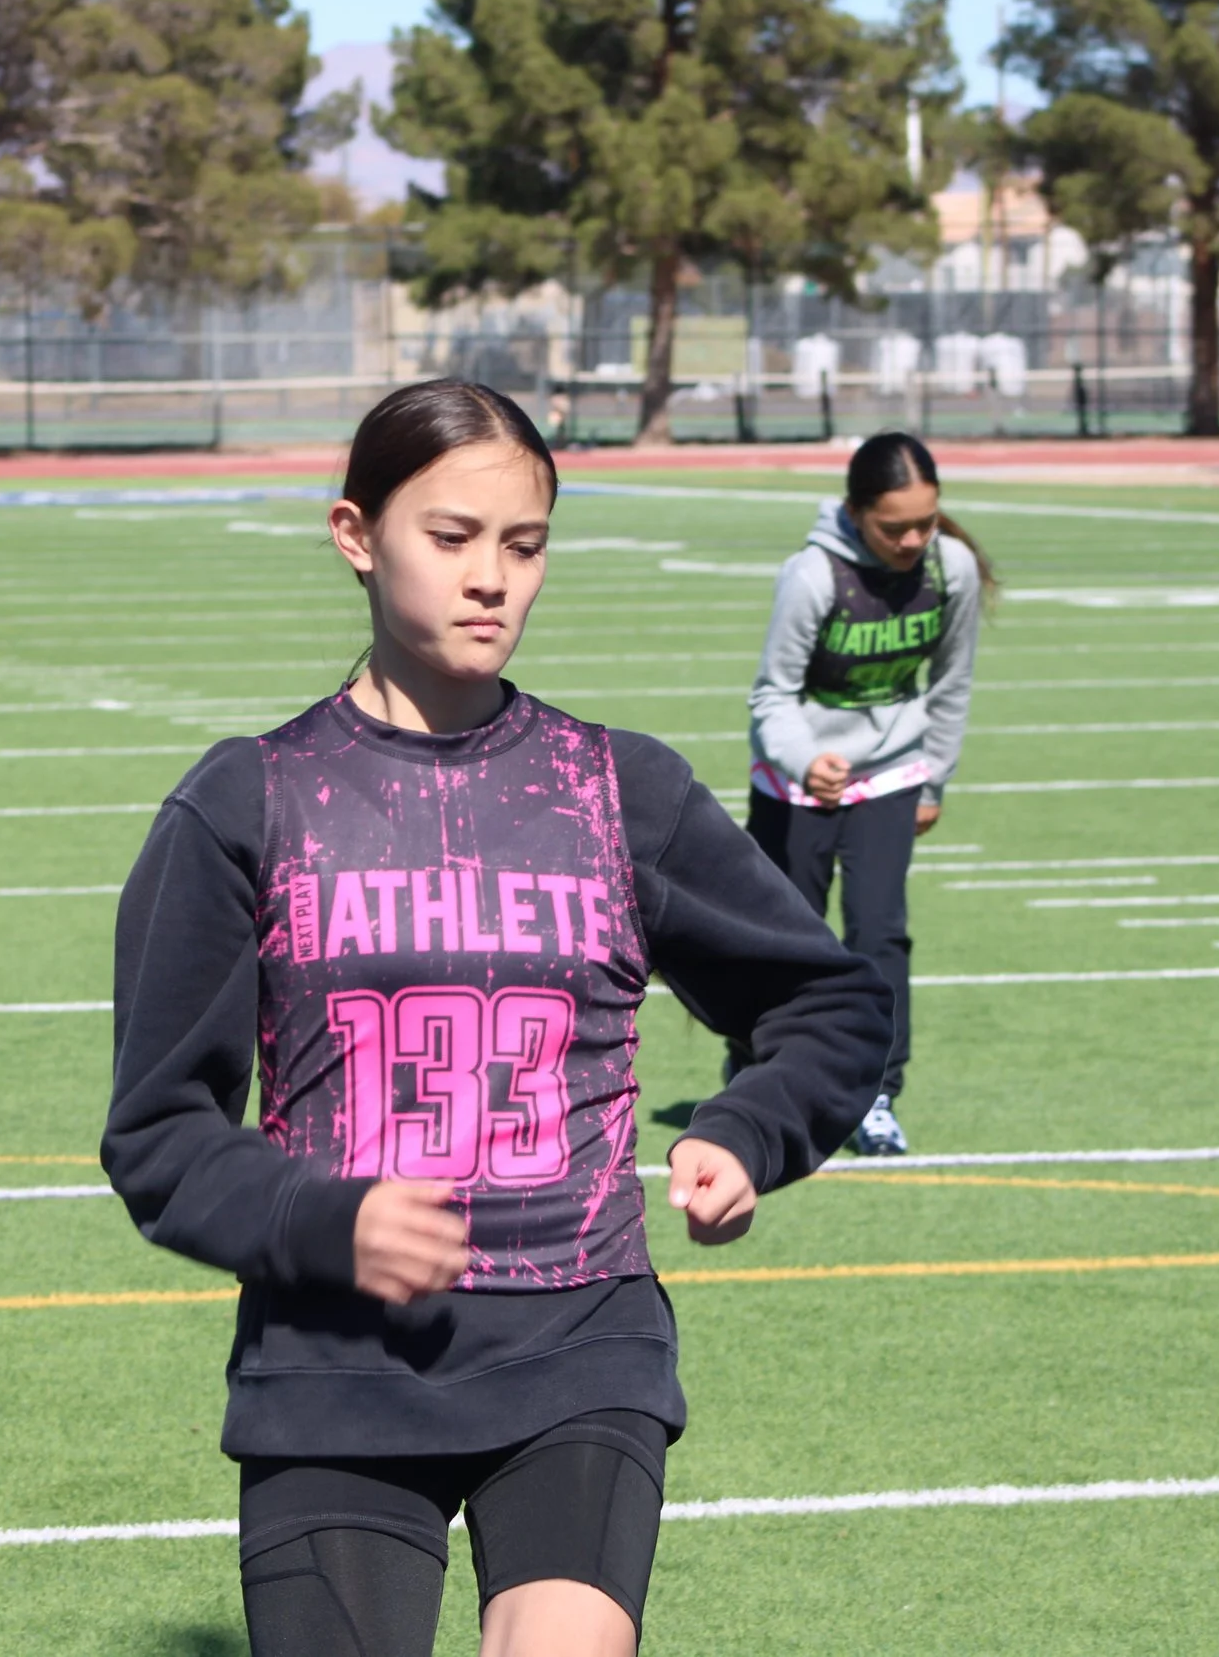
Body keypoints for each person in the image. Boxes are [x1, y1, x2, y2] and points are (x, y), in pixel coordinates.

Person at [102, 379, 894, 1657]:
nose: (493, 580)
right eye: (452, 537)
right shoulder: (248, 800)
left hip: (581, 1344)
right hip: (332, 1373)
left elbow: (831, 996)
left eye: (524, 546)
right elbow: (158, 1131)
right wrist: (324, 1214)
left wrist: (753, 1126)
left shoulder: (617, 789)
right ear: (356, 535)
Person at [741, 430, 995, 1158]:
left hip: (890, 772)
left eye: (927, 520)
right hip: (796, 778)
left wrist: (933, 778)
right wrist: (803, 758)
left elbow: (951, 683)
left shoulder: (953, 569)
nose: (914, 538)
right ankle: (763, 1071)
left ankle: (876, 1093)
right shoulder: (813, 575)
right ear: (855, 513)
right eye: (895, 527)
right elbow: (772, 695)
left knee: (880, 930)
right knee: (787, 939)